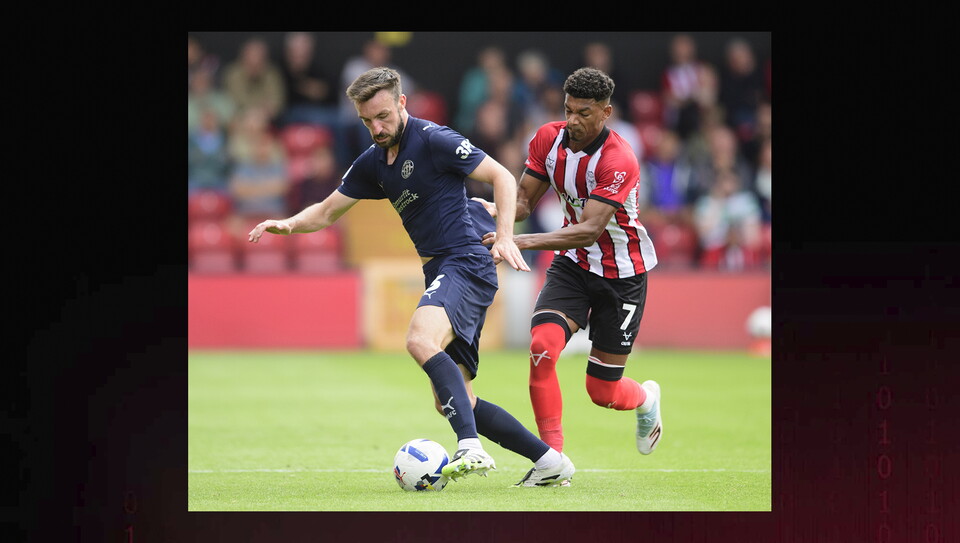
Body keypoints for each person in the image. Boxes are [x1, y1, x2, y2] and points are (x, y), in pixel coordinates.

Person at [247, 67, 575, 487]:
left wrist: (506, 237)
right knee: (454, 400)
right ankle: (549, 462)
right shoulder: (373, 162)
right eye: (367, 121)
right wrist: (289, 223)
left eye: (383, 116)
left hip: (466, 260)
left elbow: (503, 177)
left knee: (418, 338)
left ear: (402, 103)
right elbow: (327, 211)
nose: (377, 128)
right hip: (442, 268)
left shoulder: (433, 138)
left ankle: (470, 447)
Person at [473, 67, 663, 457]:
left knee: (603, 392)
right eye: (569, 110)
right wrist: (500, 211)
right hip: (573, 264)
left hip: (622, 275)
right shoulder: (548, 138)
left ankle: (645, 399)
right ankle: (551, 459)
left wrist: (516, 241)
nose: (573, 120)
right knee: (542, 346)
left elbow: (589, 229)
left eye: (585, 113)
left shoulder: (619, 159)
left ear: (606, 112)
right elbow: (525, 201)